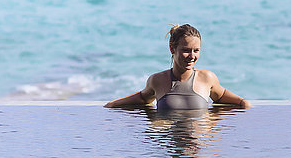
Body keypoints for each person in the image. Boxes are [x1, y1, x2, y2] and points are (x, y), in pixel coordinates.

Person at [104, 24, 252, 109]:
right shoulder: (157, 80)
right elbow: (143, 98)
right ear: (172, 49)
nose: (192, 56)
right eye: (186, 50)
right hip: (169, 147)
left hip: (197, 147)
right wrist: (113, 104)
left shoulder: (207, 78)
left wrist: (242, 102)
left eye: (196, 50)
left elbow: (222, 97)